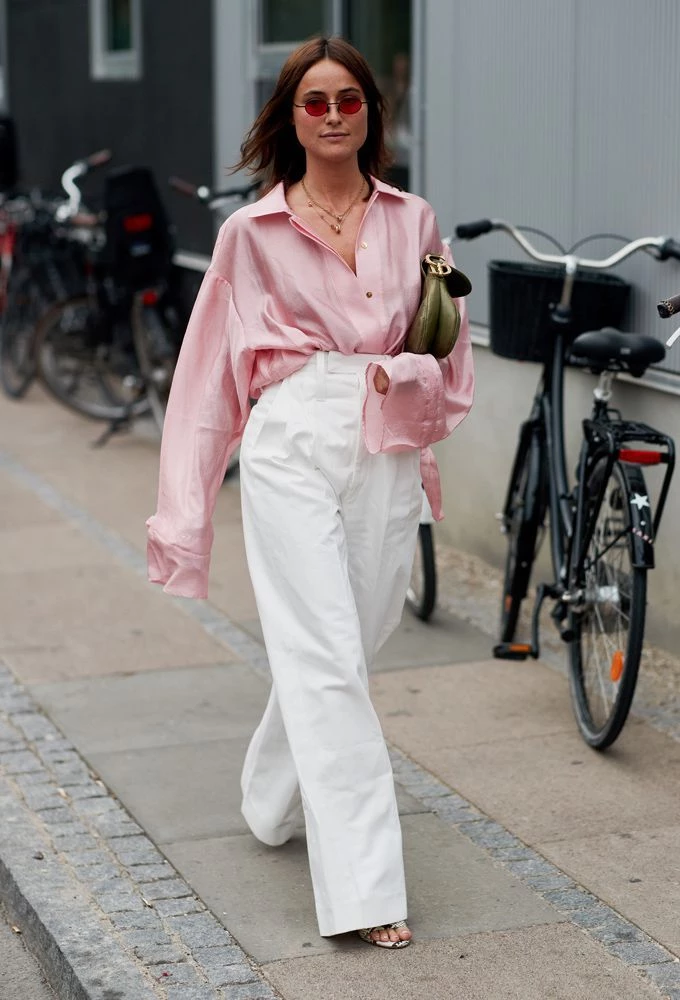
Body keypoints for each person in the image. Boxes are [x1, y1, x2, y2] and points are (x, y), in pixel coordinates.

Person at [146, 36, 474, 950]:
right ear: (290, 117)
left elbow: (451, 347)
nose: (332, 114)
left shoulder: (415, 221)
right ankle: (367, 890)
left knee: (353, 643)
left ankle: (266, 794)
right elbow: (207, 376)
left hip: (385, 437)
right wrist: (184, 511)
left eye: (348, 99)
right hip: (291, 435)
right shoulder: (248, 235)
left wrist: (409, 376)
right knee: (328, 658)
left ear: (372, 112)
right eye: (313, 101)